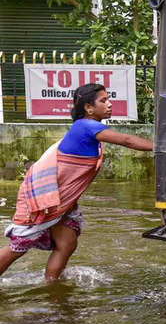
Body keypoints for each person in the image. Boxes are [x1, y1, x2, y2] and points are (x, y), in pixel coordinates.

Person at [0, 83, 153, 281]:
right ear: (88, 108)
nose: (109, 104)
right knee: (18, 247)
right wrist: (163, 146)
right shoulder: (86, 126)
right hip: (47, 200)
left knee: (67, 243)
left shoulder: (87, 127)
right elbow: (128, 141)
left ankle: (52, 287)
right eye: (103, 100)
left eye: (108, 99)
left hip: (60, 201)